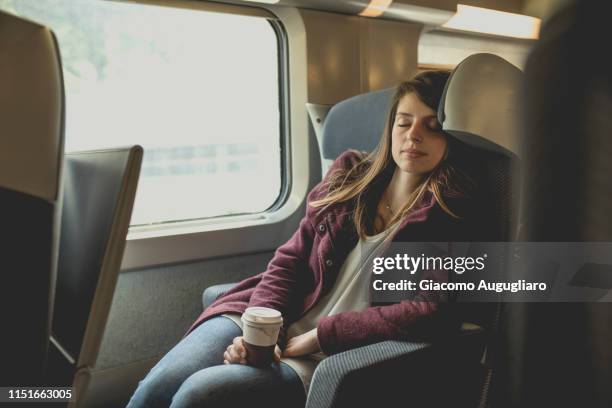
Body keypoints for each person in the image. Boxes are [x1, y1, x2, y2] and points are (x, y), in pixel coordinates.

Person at [127, 70, 494, 408]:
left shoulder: (452, 211)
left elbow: (431, 309)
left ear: (451, 137)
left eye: (431, 127)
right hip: (272, 316)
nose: (413, 136)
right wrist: (261, 328)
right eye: (404, 122)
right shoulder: (349, 173)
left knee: (197, 395)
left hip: (324, 353)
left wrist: (319, 337)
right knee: (157, 387)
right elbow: (290, 259)